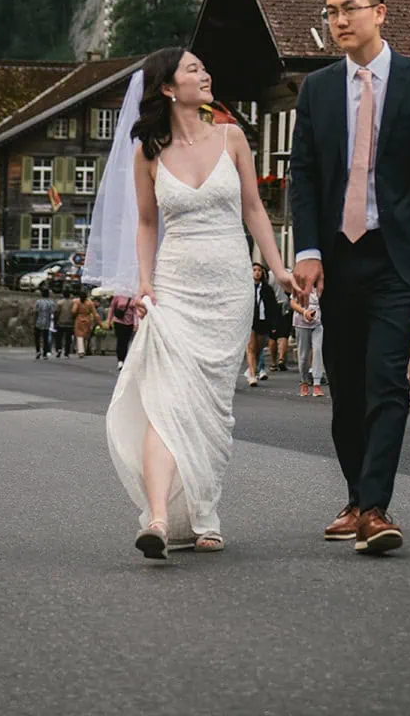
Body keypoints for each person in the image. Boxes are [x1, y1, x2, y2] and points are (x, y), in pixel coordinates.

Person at [289, 0, 410, 556]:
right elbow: (305, 176)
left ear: (380, 13)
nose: (339, 21)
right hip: (337, 259)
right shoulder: (316, 90)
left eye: (350, 9)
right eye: (331, 12)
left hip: (397, 256)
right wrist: (306, 250)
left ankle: (375, 507)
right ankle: (356, 496)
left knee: (387, 377)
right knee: (345, 384)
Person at [101, 49, 293, 559]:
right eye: (193, 69)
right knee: (165, 405)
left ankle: (205, 513)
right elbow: (145, 224)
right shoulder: (149, 152)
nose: (205, 74)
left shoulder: (232, 138)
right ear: (168, 87)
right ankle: (159, 520)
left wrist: (277, 269)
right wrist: (144, 283)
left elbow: (254, 209)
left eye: (205, 67)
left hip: (228, 288)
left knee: (211, 408)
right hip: (175, 288)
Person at [246, 262, 279, 386]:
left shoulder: (267, 289)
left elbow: (273, 307)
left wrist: (274, 324)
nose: (257, 272)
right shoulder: (246, 287)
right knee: (250, 347)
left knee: (258, 348)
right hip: (249, 320)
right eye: (254, 270)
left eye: (259, 270)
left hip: (263, 320)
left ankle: (251, 369)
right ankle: (252, 376)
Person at [292, 285, 324, 398]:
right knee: (304, 355)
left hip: (319, 322)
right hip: (301, 321)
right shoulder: (300, 284)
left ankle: (317, 383)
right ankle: (304, 382)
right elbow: (293, 303)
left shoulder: (321, 284)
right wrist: (304, 312)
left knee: (318, 350)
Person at [268, 274, 293, 372]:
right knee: (284, 335)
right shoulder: (288, 273)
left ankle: (274, 362)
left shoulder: (269, 274)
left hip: (272, 305)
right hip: (285, 306)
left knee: (272, 336)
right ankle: (281, 358)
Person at [108, 291, 139, 369]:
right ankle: (120, 360)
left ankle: (124, 359)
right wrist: (109, 320)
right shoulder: (118, 295)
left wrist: (136, 323)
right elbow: (112, 307)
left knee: (126, 341)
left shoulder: (134, 296)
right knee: (120, 340)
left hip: (130, 322)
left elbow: (135, 312)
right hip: (119, 321)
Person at [72, 290, 99, 357]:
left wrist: (75, 315)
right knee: (86, 336)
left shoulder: (77, 302)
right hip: (87, 319)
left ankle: (81, 351)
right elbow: (95, 314)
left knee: (79, 335)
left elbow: (73, 311)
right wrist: (99, 322)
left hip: (79, 319)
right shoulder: (90, 303)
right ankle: (85, 349)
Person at [53, 288, 76, 357]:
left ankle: (59, 349)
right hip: (70, 323)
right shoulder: (72, 303)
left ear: (63, 295)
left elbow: (56, 313)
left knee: (59, 337)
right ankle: (67, 351)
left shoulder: (59, 302)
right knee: (68, 338)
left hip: (60, 323)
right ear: (70, 295)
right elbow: (74, 312)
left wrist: (55, 321)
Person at [34, 290, 55, 359]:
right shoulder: (51, 302)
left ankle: (38, 351)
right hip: (47, 322)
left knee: (37, 337)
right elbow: (52, 312)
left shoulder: (38, 302)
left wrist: (34, 320)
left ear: (41, 294)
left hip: (38, 321)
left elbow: (36, 312)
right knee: (45, 338)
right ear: (48, 295)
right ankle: (45, 353)